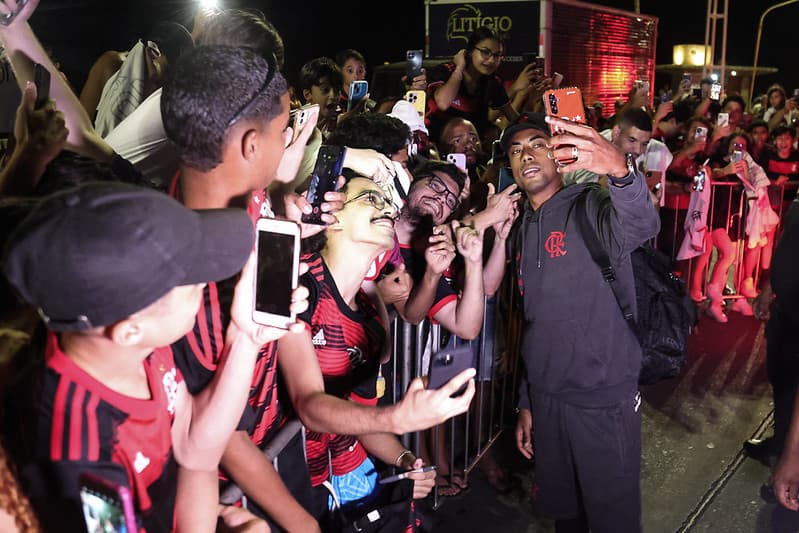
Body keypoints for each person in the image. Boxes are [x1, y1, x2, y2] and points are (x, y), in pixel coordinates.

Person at [0, 180, 270, 532]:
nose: (206, 284)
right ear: (130, 331)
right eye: (193, 283)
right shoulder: (79, 456)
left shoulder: (136, 348)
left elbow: (194, 445)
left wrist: (246, 338)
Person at [510, 112, 660, 533]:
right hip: (548, 397)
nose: (526, 155)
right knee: (566, 514)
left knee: (613, 519)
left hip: (602, 396)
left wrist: (619, 170)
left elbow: (643, 224)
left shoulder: (589, 204)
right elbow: (535, 320)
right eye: (516, 151)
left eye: (537, 144)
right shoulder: (523, 227)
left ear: (559, 157)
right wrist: (527, 400)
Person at [753, 202, 799, 532]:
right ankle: (779, 444)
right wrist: (770, 287)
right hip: (788, 313)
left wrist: (793, 456)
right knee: (781, 384)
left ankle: (787, 458)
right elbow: (788, 244)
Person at [425, 25, 530, 145]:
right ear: (470, 51)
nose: (491, 60)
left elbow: (514, 117)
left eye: (497, 55)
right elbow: (443, 103)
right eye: (485, 52)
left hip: (470, 149)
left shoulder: (492, 82)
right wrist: (459, 68)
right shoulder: (445, 71)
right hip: (435, 146)